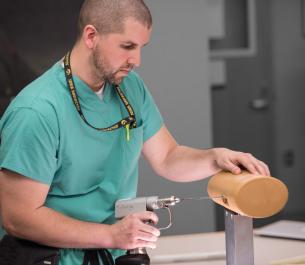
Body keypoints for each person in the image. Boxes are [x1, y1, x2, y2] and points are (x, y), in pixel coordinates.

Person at [0, 0, 270, 264]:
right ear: (91, 36)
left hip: (114, 254)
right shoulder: (36, 112)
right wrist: (111, 235)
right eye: (127, 46)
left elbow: (168, 157)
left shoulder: (130, 88)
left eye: (141, 47)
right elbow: (19, 218)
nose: (137, 60)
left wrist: (216, 158)